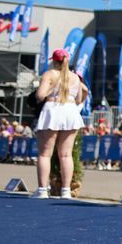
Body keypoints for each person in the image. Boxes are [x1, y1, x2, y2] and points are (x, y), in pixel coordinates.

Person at [33, 49, 87, 198]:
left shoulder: (50, 74)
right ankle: (66, 190)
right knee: (66, 154)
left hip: (53, 109)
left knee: (45, 154)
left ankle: (42, 190)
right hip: (70, 110)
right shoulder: (75, 77)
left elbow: (40, 95)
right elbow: (78, 99)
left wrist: (50, 88)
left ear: (54, 61)